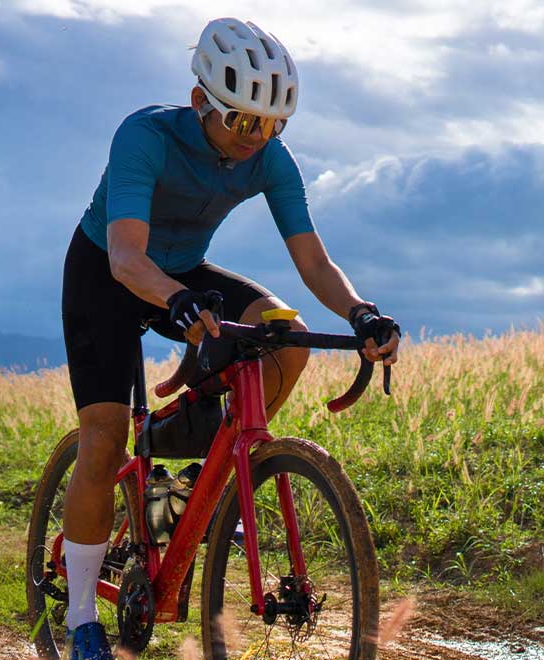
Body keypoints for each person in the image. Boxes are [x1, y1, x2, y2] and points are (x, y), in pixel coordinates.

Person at [55, 17, 399, 660]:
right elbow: (128, 260)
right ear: (199, 102)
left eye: (271, 125)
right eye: (241, 121)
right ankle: (79, 621)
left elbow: (314, 262)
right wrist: (177, 302)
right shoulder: (145, 136)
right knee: (102, 441)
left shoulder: (270, 159)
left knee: (286, 336)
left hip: (184, 271)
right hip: (108, 271)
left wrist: (361, 314)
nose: (256, 138)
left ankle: (210, 483)